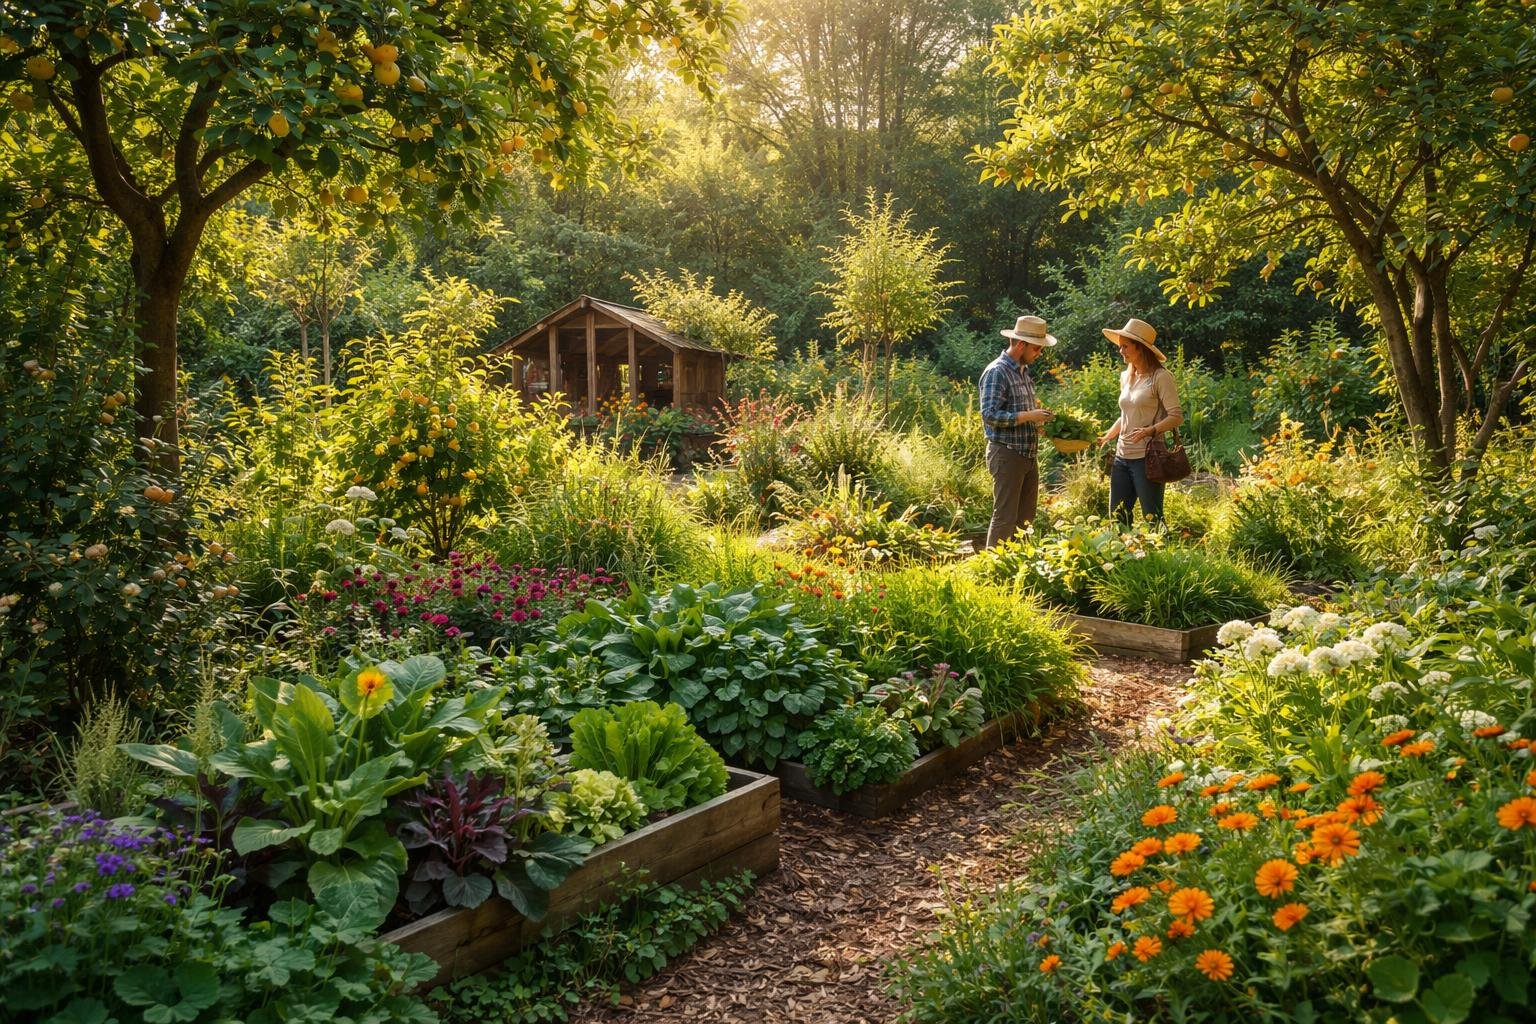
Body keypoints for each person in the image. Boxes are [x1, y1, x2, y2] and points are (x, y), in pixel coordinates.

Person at [1097, 318, 1184, 525]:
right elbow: (1126, 415)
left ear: (1141, 348)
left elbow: (1176, 416)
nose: (1121, 351)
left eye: (1125, 346)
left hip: (1148, 458)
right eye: (1120, 346)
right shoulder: (1126, 377)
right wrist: (1107, 436)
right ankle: (1124, 556)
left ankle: (1162, 556)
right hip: (1121, 456)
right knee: (1117, 518)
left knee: (1153, 518)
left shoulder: (1161, 377)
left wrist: (1150, 431)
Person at [979, 315, 1056, 547]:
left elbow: (1020, 412)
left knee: (1025, 518)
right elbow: (989, 415)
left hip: (1027, 454)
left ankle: (1019, 568)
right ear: (1020, 344)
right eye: (1036, 349)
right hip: (1007, 453)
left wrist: (1040, 423)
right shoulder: (997, 371)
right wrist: (1029, 416)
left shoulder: (1022, 372)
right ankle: (993, 570)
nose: (1038, 354)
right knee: (1005, 517)